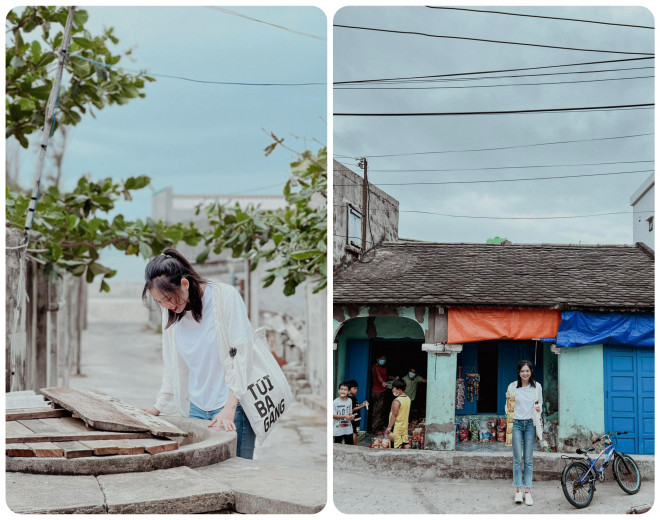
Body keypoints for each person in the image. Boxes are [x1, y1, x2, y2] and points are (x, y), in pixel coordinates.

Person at [141, 248, 257, 459]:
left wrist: (230, 408)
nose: (166, 305)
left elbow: (242, 356)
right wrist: (159, 406)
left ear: (184, 283)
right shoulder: (171, 312)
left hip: (232, 406)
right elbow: (173, 364)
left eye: (168, 298)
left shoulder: (224, 297)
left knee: (238, 473)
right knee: (206, 475)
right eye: (159, 302)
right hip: (196, 407)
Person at [506, 360, 543, 506]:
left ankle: (528, 492)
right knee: (517, 459)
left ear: (531, 372)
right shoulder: (513, 386)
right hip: (516, 424)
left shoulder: (537, 387)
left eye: (527, 371)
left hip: (529, 425)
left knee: (528, 459)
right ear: (519, 373)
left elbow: (539, 402)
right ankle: (518, 491)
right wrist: (508, 398)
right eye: (522, 371)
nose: (525, 373)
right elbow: (508, 407)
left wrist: (539, 408)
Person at [370, 355, 395, 432]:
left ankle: (380, 426)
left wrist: (391, 378)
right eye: (382, 359)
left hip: (383, 390)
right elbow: (379, 377)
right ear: (377, 359)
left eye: (384, 358)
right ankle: (375, 429)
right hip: (377, 391)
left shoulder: (383, 367)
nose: (383, 360)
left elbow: (385, 377)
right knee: (377, 411)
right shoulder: (375, 367)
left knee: (382, 410)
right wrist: (383, 382)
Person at [385, 379, 411, 449]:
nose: (392, 390)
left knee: (394, 447)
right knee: (405, 444)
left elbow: (394, 415)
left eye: (393, 388)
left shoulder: (396, 401)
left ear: (399, 390)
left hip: (396, 427)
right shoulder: (408, 399)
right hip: (404, 427)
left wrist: (389, 427)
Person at [346, 380, 368, 445]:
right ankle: (354, 447)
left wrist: (362, 404)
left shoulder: (353, 398)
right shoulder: (351, 398)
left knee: (354, 432)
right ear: (349, 390)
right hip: (354, 419)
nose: (356, 390)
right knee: (354, 433)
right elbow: (352, 409)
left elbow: (356, 406)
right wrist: (363, 406)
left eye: (357, 388)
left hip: (356, 418)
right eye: (354, 388)